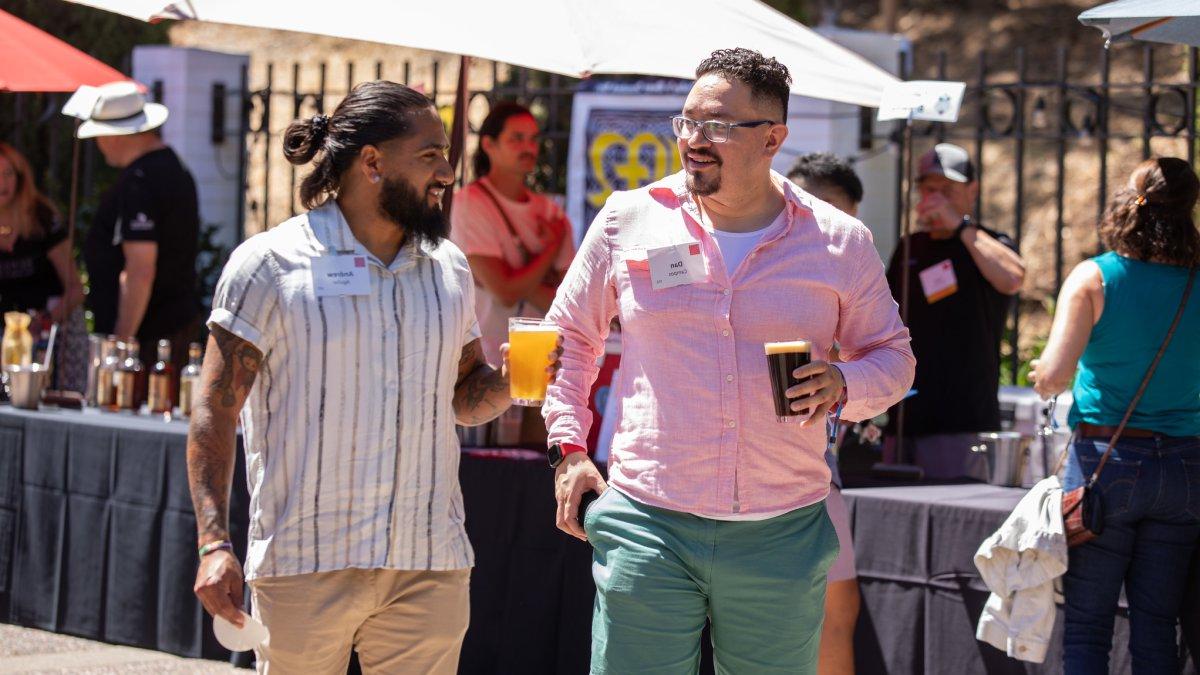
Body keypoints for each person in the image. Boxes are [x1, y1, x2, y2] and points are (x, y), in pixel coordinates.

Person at [545, 48, 915, 673]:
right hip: (646, 521)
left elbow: (894, 360)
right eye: (686, 121)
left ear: (773, 137)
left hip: (781, 531)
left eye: (716, 125)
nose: (693, 139)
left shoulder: (837, 241)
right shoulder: (627, 221)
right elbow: (569, 340)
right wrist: (569, 450)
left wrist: (843, 383)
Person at [186, 81, 561, 674]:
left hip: (429, 560)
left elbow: (463, 399)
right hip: (307, 557)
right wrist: (214, 542)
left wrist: (515, 378)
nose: (448, 171)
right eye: (431, 154)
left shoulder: (450, 269)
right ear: (372, 163)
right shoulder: (270, 264)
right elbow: (215, 408)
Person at [1030, 157, 1200, 674]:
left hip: (1108, 464)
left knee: (1088, 625)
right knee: (1156, 624)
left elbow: (1054, 377)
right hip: (1187, 468)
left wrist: (1042, 371)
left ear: (1127, 206)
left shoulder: (1095, 278)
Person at [884, 143, 1025, 478]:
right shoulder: (911, 246)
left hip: (962, 419)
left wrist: (959, 226)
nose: (937, 198)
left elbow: (1013, 278)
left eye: (947, 190)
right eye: (930, 189)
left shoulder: (988, 242)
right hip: (907, 415)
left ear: (972, 191)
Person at [450, 102, 574, 445]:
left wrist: (515, 278)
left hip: (542, 365)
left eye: (533, 139)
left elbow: (565, 300)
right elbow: (504, 290)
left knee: (532, 471)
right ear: (489, 144)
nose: (529, 148)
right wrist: (546, 253)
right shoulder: (469, 204)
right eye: (517, 138)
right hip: (485, 366)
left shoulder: (549, 211)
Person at [787, 151, 865, 675]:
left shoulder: (853, 270)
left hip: (818, 478)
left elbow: (886, 364)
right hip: (730, 486)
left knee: (836, 613)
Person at [74, 81, 201, 376]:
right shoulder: (174, 167)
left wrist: (122, 343)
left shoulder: (139, 181)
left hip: (149, 339)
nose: (98, 144)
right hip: (170, 325)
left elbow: (140, 270)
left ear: (114, 136)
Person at [0, 141, 86, 391]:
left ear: (20, 177)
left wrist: (45, 321)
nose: (3, 183)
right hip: (10, 337)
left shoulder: (42, 217)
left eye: (8, 173)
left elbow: (75, 289)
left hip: (55, 333)